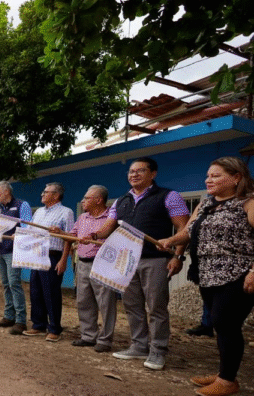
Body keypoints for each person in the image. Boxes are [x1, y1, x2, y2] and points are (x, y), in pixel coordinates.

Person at [158, 157, 254, 396]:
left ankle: (228, 380)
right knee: (220, 324)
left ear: (236, 178)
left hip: (238, 273)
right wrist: (170, 241)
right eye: (208, 175)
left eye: (216, 176)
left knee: (226, 323)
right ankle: (224, 373)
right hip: (207, 273)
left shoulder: (248, 203)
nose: (208, 180)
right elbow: (188, 232)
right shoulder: (205, 204)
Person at [93, 157, 190, 370]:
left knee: (156, 306)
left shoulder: (169, 196)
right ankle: (138, 346)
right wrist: (92, 234)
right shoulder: (121, 200)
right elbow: (108, 227)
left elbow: (185, 230)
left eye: (140, 171)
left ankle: (158, 350)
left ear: (153, 174)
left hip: (154, 260)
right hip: (126, 261)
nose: (134, 175)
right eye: (131, 171)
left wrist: (178, 256)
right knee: (132, 305)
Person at [55, 185, 117, 352]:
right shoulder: (82, 217)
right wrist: (60, 232)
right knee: (84, 301)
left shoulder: (111, 218)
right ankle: (88, 336)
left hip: (102, 265)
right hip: (82, 263)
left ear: (98, 200)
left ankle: (105, 340)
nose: (83, 201)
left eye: (86, 198)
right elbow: (72, 236)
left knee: (105, 303)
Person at [23, 182, 74, 342]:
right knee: (35, 291)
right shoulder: (38, 212)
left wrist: (63, 260)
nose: (42, 195)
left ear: (56, 195)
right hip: (36, 255)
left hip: (53, 256)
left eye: (45, 192)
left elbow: (70, 238)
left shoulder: (66, 212)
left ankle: (54, 328)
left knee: (50, 293)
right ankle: (38, 324)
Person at [0, 181, 32, 335]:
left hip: (14, 251)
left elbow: (28, 226)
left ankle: (20, 321)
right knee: (5, 283)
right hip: (0, 250)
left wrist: (20, 233)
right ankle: (9, 316)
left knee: (14, 283)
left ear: (6, 191)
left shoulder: (22, 205)